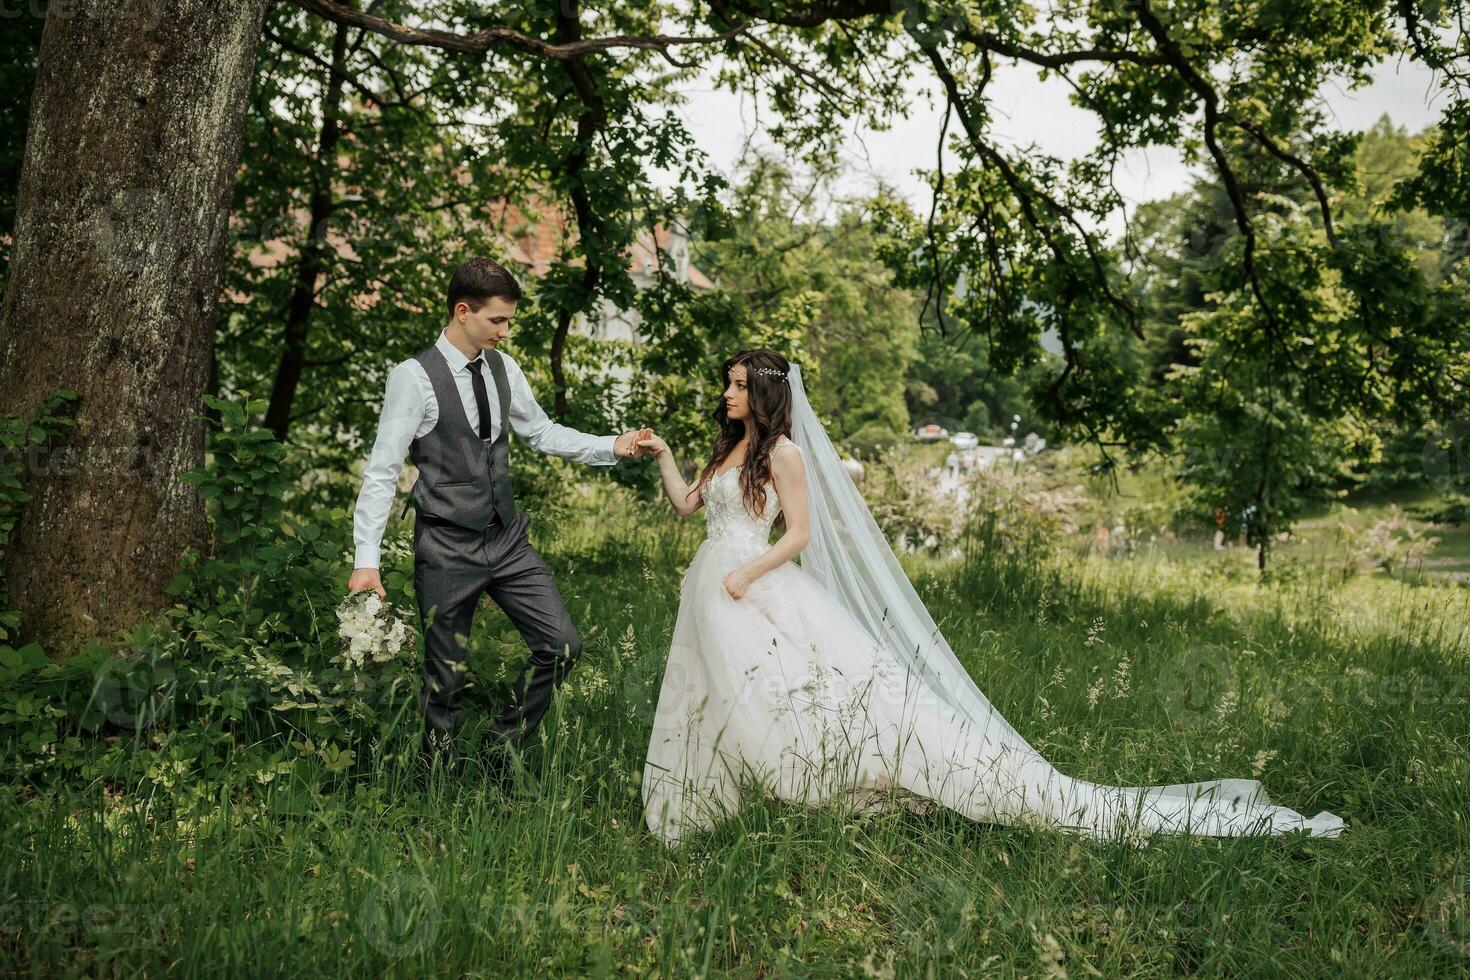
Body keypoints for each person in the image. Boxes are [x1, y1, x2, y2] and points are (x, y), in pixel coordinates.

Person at [633, 348, 1345, 846]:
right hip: (713, 583)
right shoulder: (725, 451)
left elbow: (801, 536)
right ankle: (711, 802)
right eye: (726, 384)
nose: (724, 394)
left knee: (811, 690)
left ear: (762, 392)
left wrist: (746, 574)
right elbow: (688, 509)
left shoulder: (782, 455)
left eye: (734, 385)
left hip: (749, 585)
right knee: (710, 689)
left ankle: (863, 783)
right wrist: (664, 454)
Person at [346, 257, 653, 781]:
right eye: (497, 321)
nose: (505, 331)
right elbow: (381, 472)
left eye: (508, 321)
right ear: (462, 311)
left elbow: (543, 432)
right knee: (445, 679)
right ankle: (435, 784)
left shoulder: (503, 368)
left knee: (561, 647)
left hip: (507, 540)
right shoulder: (414, 378)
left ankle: (500, 750)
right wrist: (366, 561)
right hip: (446, 547)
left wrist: (612, 446)